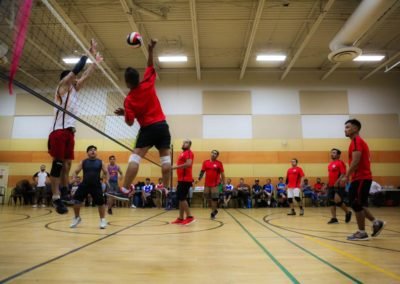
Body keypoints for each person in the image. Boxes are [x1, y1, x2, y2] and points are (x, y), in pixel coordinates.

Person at [109, 39, 171, 202]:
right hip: (162, 126)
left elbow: (130, 122)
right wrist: (150, 50)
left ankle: (123, 189)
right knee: (165, 160)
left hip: (148, 129)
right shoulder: (148, 82)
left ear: (127, 82)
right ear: (138, 78)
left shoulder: (129, 100)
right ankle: (166, 189)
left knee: (135, 158)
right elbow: (150, 66)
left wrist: (127, 113)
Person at [48, 39, 102, 214]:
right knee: (57, 164)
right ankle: (56, 197)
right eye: (73, 78)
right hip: (58, 131)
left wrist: (95, 63)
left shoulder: (74, 90)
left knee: (67, 165)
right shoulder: (62, 87)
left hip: (70, 133)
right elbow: (77, 71)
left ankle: (64, 192)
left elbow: (85, 75)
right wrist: (88, 53)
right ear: (67, 79)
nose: (76, 80)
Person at [343, 119, 385, 241]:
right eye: (345, 127)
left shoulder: (357, 141)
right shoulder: (355, 142)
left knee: (356, 204)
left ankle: (362, 232)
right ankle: (376, 222)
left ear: (355, 129)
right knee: (357, 203)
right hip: (359, 178)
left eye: (348, 127)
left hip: (361, 177)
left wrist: (346, 176)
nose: (345, 129)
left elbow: (356, 161)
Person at [70, 145, 109, 229]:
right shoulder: (83, 162)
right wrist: (74, 178)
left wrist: (106, 180)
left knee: (101, 203)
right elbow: (75, 171)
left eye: (94, 150)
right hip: (84, 184)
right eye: (91, 150)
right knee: (76, 201)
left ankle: (102, 220)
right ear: (87, 153)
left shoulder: (100, 162)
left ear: (96, 152)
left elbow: (106, 172)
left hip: (96, 185)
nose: (93, 151)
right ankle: (77, 217)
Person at [171, 139, 195, 225]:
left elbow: (188, 164)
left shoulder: (188, 152)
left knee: (182, 197)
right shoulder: (183, 153)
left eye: (186, 143)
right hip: (181, 179)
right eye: (184, 142)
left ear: (189, 145)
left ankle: (189, 217)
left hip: (186, 179)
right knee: (180, 198)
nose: (184, 143)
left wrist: (175, 167)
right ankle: (181, 218)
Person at [197, 150, 225, 219]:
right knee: (206, 197)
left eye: (215, 154)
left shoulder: (219, 163)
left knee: (214, 198)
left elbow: (222, 174)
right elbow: (202, 171)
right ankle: (215, 210)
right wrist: (198, 179)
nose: (213, 154)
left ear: (217, 156)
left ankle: (213, 213)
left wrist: (223, 184)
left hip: (215, 184)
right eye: (212, 153)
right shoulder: (205, 162)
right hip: (207, 184)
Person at [327, 148, 352, 224]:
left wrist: (337, 182)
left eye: (334, 153)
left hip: (338, 185)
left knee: (338, 201)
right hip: (331, 185)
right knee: (331, 202)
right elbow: (330, 175)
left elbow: (343, 174)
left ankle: (348, 212)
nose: (332, 154)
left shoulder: (340, 163)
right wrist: (328, 183)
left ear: (338, 155)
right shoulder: (330, 164)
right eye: (331, 153)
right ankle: (334, 218)